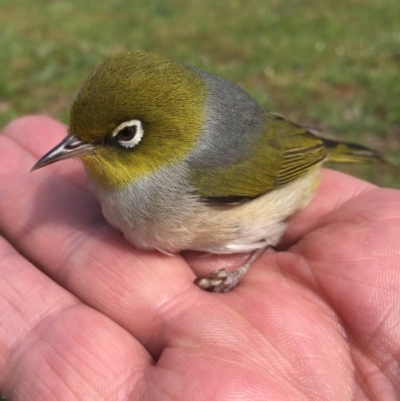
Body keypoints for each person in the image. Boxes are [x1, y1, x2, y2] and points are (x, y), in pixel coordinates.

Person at [1, 116, 399, 400]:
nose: (74, 147)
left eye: (122, 134)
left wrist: (241, 268)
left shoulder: (204, 171)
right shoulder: (109, 173)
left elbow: (285, 153)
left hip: (286, 166)